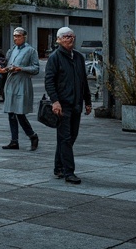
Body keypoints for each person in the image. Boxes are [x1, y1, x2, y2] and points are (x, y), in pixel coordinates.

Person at [44, 26, 93, 184]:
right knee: (65, 138)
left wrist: (88, 101)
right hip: (62, 105)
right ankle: (68, 172)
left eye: (72, 36)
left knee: (71, 137)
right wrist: (55, 101)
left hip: (76, 105)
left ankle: (58, 167)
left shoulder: (78, 57)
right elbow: (49, 81)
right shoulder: (55, 57)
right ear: (59, 39)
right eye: (66, 37)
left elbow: (83, 81)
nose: (70, 39)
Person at [0, 27, 39, 151]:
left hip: (22, 83)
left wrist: (22, 69)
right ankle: (14, 140)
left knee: (20, 113)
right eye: (14, 36)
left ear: (24, 37)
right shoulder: (12, 50)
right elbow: (9, 65)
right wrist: (3, 69)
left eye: (18, 36)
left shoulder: (30, 51)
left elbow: (36, 68)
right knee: (11, 113)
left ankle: (32, 135)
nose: (16, 38)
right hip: (11, 83)